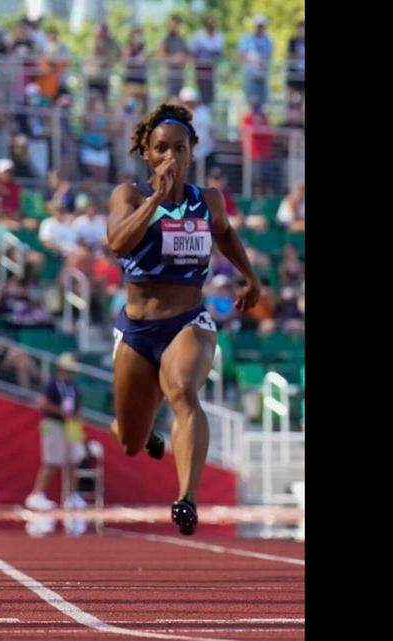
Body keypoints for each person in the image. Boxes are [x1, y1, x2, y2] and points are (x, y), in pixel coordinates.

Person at [107, 104, 261, 535]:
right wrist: (157, 198)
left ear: (192, 151)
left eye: (179, 147)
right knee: (130, 443)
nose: (170, 156)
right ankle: (146, 430)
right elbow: (118, 242)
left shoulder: (206, 200)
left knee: (182, 390)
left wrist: (251, 278)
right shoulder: (130, 195)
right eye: (161, 149)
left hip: (187, 320)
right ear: (147, 154)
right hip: (137, 329)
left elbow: (225, 232)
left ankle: (187, 499)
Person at [25, 353, 87, 511]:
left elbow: (78, 409)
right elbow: (42, 404)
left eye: (71, 370)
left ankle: (72, 496)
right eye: (67, 369)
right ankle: (37, 495)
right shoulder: (52, 384)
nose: (69, 373)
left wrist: (77, 421)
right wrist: (61, 412)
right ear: (60, 369)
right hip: (53, 423)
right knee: (52, 461)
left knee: (75, 461)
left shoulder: (74, 388)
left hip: (70, 425)